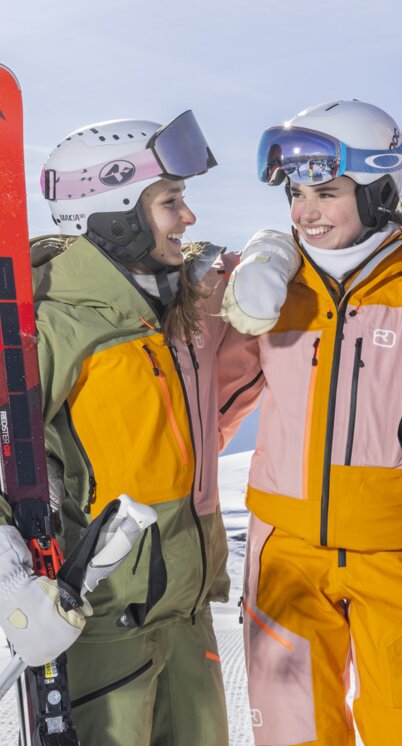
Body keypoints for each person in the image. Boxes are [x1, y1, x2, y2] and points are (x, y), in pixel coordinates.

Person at [0, 111, 263, 746]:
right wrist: (11, 582)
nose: (190, 218)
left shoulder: (169, 319)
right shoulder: (59, 328)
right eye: (172, 202)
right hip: (101, 627)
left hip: (188, 617)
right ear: (116, 216)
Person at [221, 99, 402, 746]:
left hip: (393, 551)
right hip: (288, 552)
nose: (305, 211)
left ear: (383, 190)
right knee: (297, 733)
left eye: (327, 191)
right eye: (297, 194)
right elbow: (203, 402)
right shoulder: (273, 288)